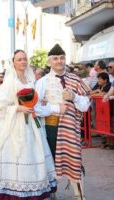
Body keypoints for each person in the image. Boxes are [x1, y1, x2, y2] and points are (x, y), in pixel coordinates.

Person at [0, 50, 57, 200]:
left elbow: (35, 99)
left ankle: (34, 190)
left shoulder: (30, 80)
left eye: (24, 59)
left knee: (33, 154)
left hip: (31, 125)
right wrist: (18, 108)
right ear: (13, 62)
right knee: (18, 155)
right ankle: (15, 192)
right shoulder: (9, 82)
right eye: (19, 59)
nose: (23, 62)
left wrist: (38, 105)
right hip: (15, 125)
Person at [35, 44, 90, 200]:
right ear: (49, 62)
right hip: (50, 128)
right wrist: (56, 108)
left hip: (70, 128)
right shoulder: (42, 82)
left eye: (62, 58)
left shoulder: (75, 79)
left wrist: (74, 97)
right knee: (49, 162)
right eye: (55, 58)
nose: (59, 61)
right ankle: (50, 193)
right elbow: (36, 108)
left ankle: (79, 196)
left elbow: (85, 106)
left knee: (74, 161)